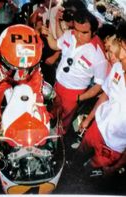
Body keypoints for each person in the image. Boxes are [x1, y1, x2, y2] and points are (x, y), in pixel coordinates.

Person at [0, 24, 51, 162]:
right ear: (1, 57)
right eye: (15, 68)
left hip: (27, 81)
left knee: (41, 113)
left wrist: (40, 104)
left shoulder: (32, 62)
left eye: (27, 68)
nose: (21, 74)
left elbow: (36, 80)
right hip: (0, 82)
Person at [45, 9, 108, 133]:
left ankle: (58, 143)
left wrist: (80, 98)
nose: (78, 35)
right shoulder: (69, 34)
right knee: (52, 112)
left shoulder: (98, 56)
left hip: (74, 93)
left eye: (84, 32)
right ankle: (47, 129)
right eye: (77, 30)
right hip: (57, 85)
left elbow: (100, 85)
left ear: (94, 32)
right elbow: (54, 45)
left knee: (63, 122)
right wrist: (47, 33)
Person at [78, 21, 126, 174]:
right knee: (80, 152)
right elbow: (105, 94)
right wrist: (88, 120)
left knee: (93, 166)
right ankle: (72, 167)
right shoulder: (117, 67)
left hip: (114, 145)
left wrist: (118, 165)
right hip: (97, 126)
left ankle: (83, 176)